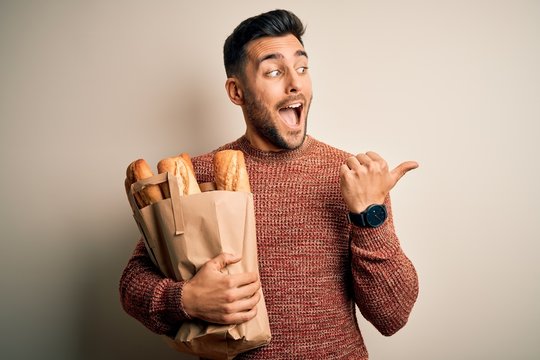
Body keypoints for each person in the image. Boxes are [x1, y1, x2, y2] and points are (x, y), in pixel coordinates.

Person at [120, 9, 419, 359]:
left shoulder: (351, 177)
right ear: (237, 92)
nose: (295, 83)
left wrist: (370, 215)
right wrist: (186, 299)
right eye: (274, 71)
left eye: (302, 68)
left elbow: (392, 316)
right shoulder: (197, 176)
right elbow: (132, 283)